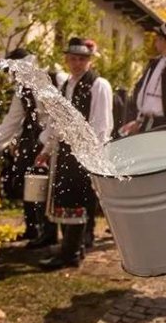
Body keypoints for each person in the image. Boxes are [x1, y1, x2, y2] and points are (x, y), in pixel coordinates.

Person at [36, 38, 113, 270]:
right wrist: (46, 149)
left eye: (82, 59)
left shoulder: (99, 85)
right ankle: (72, 248)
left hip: (84, 153)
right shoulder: (63, 86)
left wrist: (95, 158)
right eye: (73, 58)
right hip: (64, 152)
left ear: (89, 61)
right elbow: (55, 122)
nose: (77, 63)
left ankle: (69, 252)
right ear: (66, 59)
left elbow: (102, 125)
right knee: (64, 201)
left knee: (79, 202)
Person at [0, 49, 47, 244]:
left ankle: (46, 231)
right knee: (27, 182)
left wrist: (48, 145)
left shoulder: (51, 80)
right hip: (30, 137)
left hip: (50, 139)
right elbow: (11, 121)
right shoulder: (21, 90)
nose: (13, 74)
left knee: (44, 186)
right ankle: (32, 228)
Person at [119, 22, 166, 135]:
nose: (155, 42)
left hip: (165, 128)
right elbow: (145, 96)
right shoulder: (155, 63)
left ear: (163, 40)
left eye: (157, 38)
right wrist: (138, 121)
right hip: (146, 126)